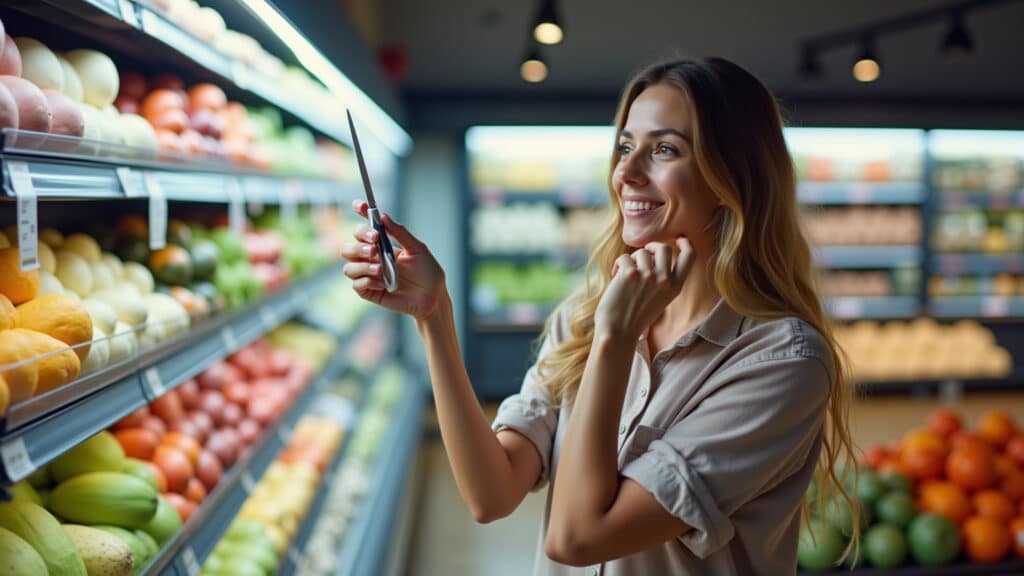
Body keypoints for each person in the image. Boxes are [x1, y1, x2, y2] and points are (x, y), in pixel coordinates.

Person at [341, 57, 858, 575]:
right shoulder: (586, 317)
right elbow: (490, 494)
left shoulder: (781, 361)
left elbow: (577, 539)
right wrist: (434, 316)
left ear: (733, 176)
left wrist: (615, 340)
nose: (626, 174)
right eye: (626, 147)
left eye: (664, 149)